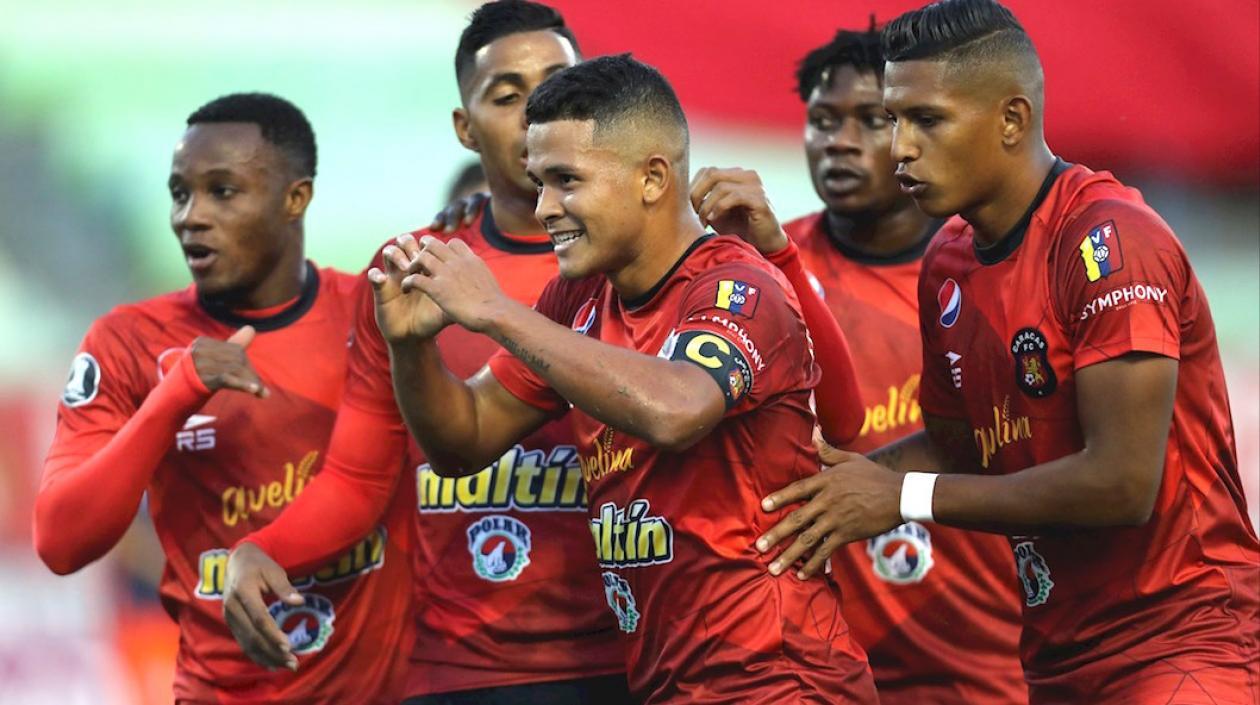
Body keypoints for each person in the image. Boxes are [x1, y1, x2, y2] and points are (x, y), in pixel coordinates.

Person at [757, 2, 1260, 703]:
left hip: (1183, 642)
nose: (899, 148)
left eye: (925, 121)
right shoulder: (950, 262)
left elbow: (1121, 483)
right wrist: (833, 489)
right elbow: (958, 443)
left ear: (1013, 120)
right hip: (1053, 654)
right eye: (894, 120)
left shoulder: (1109, 244)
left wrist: (900, 496)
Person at [374, 53, 876, 705]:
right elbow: (463, 440)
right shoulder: (578, 296)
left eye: (566, 180)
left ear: (652, 178)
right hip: (668, 683)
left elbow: (678, 407)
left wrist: (495, 311)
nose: (545, 205)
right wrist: (411, 349)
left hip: (777, 679)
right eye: (538, 180)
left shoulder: (737, 285)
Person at [222, 3, 636, 703]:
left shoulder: (646, 261)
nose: (539, 110)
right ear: (464, 127)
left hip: (636, 659)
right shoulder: (410, 270)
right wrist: (265, 548)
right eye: (508, 96)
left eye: (561, 83)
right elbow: (358, 474)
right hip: (458, 671)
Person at [33, 93, 412, 704]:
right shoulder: (127, 342)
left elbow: (379, 478)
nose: (191, 216)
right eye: (180, 194)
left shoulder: (372, 318)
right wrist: (175, 394)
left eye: (222, 192)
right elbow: (60, 540)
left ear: (296, 198)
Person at [689, 25, 1027, 705]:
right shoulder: (759, 270)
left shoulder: (991, 272)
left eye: (871, 120)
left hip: (990, 655)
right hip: (822, 664)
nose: (838, 140)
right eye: (821, 120)